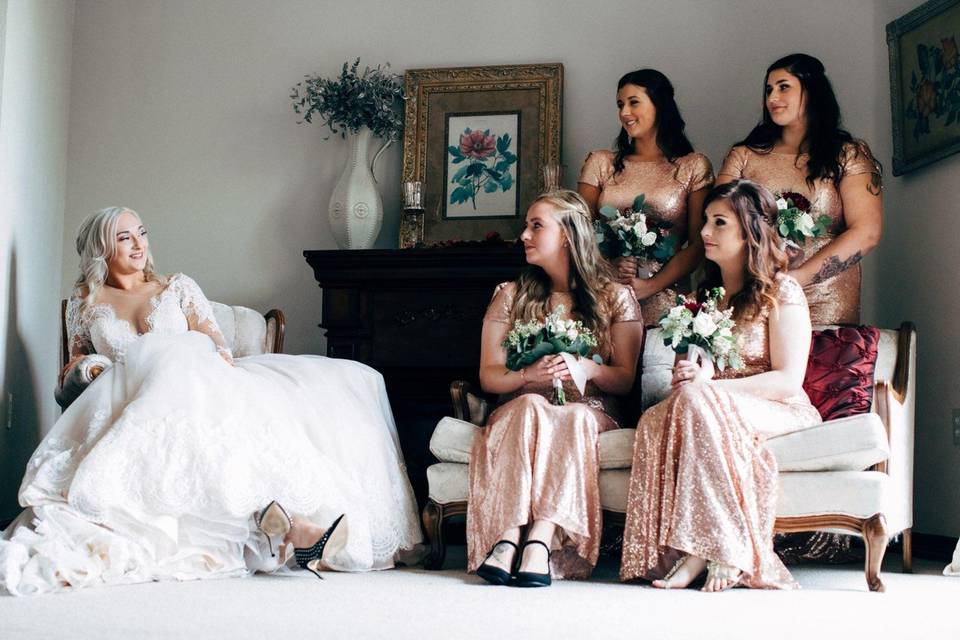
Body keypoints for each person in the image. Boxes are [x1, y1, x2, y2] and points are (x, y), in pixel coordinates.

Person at [0, 207, 422, 596]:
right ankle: (281, 525)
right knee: (158, 377)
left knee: (180, 362)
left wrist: (169, 363)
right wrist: (91, 367)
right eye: (125, 237)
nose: (139, 244)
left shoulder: (177, 287)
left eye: (142, 233)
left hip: (198, 387)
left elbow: (217, 349)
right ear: (101, 249)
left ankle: (287, 521)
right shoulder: (86, 302)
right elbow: (71, 371)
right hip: (129, 404)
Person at [619, 180, 822, 591]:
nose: (706, 234)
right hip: (707, 404)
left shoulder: (781, 291)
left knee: (696, 401)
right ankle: (693, 550)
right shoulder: (702, 298)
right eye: (705, 223)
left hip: (776, 406)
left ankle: (715, 549)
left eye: (719, 223)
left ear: (751, 231)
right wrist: (687, 376)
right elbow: (688, 375)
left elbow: (788, 380)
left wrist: (710, 389)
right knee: (659, 418)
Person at [468, 190, 643, 587]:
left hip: (589, 408)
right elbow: (489, 377)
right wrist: (528, 376)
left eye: (536, 226)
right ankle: (508, 537)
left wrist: (585, 368)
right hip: (523, 403)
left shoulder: (615, 297)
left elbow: (625, 378)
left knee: (574, 416)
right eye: (526, 227)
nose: (524, 236)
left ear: (566, 235)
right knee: (531, 404)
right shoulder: (511, 296)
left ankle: (541, 540)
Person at [717, 53, 882, 326]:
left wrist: (797, 279)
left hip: (827, 297)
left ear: (812, 91)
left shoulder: (847, 154)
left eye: (783, 87)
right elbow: (718, 220)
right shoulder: (743, 156)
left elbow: (868, 231)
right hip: (757, 292)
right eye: (768, 89)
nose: (772, 98)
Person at [577, 68, 713, 324]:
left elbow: (698, 244)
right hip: (607, 297)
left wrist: (650, 285)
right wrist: (612, 267)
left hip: (668, 306)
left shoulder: (693, 166)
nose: (624, 113)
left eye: (633, 102)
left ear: (660, 105)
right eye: (620, 105)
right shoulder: (601, 163)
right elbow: (579, 233)